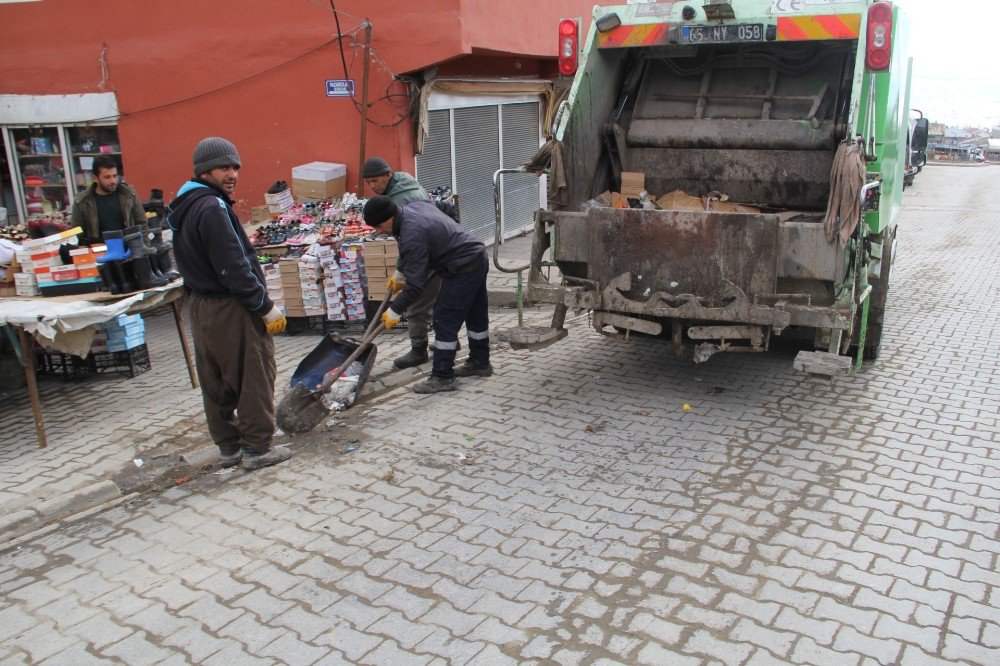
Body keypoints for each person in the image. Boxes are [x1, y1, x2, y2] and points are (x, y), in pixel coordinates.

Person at [165, 137, 291, 471]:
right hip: (230, 307)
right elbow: (232, 266)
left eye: (235, 166)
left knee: (216, 380)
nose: (232, 173)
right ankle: (257, 449)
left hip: (201, 306)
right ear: (205, 171)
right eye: (224, 167)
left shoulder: (185, 206)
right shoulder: (211, 207)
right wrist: (263, 305)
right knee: (253, 375)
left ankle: (229, 448)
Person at [362, 195, 492, 394]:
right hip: (476, 255)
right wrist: (400, 273)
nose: (379, 232)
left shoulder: (412, 233)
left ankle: (442, 376)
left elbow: (416, 286)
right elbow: (447, 208)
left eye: (379, 226)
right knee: (475, 313)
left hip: (462, 266)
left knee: (445, 318)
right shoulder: (414, 206)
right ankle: (480, 362)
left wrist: (395, 310)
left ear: (389, 217)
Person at [362, 156, 439, 370]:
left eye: (376, 180)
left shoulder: (400, 199)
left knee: (415, 305)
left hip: (428, 251)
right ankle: (446, 341)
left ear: (388, 175)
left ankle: (418, 350)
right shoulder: (404, 179)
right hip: (434, 244)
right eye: (369, 182)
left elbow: (409, 241)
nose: (372, 186)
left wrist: (400, 272)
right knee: (438, 299)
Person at [71, 155, 147, 245]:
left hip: (130, 251)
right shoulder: (82, 202)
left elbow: (142, 223)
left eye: (115, 176)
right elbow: (77, 234)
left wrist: (146, 249)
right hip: (99, 254)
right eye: (107, 177)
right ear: (95, 178)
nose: (113, 181)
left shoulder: (129, 195)